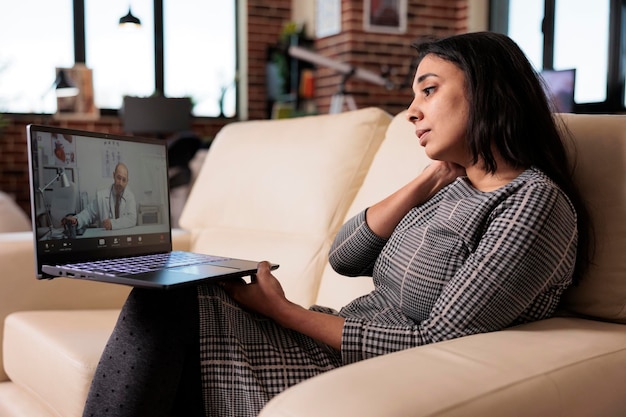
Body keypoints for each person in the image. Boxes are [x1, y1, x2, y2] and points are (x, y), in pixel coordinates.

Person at [82, 31, 591, 417]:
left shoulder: (533, 203)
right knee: (174, 290)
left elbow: (436, 342)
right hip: (333, 336)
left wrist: (282, 311)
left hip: (364, 365)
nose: (412, 111)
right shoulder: (453, 186)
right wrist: (425, 181)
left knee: (169, 312)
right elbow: (345, 258)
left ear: (489, 93)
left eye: (428, 91)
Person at [64, 162, 137, 231]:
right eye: (118, 178)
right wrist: (76, 220)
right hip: (106, 239)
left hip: (125, 238)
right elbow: (88, 213)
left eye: (124, 180)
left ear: (127, 181)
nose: (120, 183)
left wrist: (112, 224)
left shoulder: (130, 197)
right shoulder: (102, 196)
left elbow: (132, 219)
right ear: (114, 175)